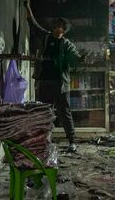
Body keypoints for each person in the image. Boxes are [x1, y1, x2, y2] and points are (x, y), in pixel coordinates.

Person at [34, 18, 84, 152]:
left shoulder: (66, 44)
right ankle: (43, 141)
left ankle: (72, 141)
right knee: (44, 113)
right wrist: (27, 8)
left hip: (60, 84)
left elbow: (74, 56)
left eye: (60, 27)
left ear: (64, 29)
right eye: (55, 26)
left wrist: (80, 58)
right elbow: (34, 24)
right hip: (45, 81)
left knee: (65, 112)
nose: (57, 29)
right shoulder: (46, 38)